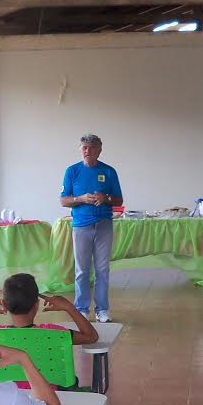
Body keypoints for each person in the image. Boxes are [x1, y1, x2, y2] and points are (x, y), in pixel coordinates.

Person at [60, 134, 122, 323]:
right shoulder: (72, 171)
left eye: (92, 147)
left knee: (102, 269)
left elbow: (119, 200)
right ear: (81, 150)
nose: (88, 151)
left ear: (99, 150)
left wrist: (106, 198)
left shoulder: (109, 172)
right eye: (84, 148)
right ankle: (82, 308)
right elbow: (64, 200)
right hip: (81, 226)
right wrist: (81, 199)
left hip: (103, 224)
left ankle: (102, 309)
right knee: (82, 270)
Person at [0, 272, 99, 345]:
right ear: (37, 305)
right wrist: (68, 307)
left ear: (4, 305)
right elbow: (91, 337)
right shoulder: (54, 333)